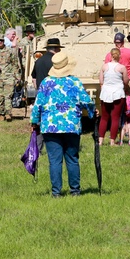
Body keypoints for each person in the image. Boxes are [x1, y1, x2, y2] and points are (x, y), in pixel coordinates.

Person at [31, 52, 95, 197]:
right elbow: (87, 101)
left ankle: (56, 192)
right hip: (71, 125)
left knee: (54, 160)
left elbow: (38, 104)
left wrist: (34, 122)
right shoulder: (74, 82)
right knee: (72, 158)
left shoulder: (46, 83)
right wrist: (92, 113)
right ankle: (75, 191)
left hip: (50, 126)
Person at [0, 34, 21, 122]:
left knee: (8, 96)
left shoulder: (10, 51)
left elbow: (15, 64)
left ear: (4, 41)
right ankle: (1, 113)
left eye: (1, 40)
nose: (0, 42)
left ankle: (8, 113)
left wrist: (17, 77)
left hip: (9, 77)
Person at [98, 48, 127, 146]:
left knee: (104, 118)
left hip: (105, 93)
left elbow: (101, 81)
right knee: (115, 118)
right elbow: (126, 81)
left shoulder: (104, 66)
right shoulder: (122, 68)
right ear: (119, 56)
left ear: (110, 55)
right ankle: (112, 141)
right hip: (118, 93)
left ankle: (100, 140)